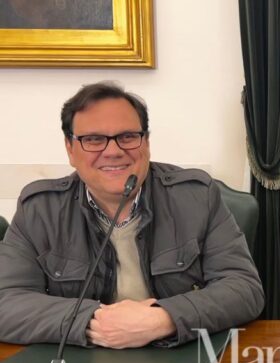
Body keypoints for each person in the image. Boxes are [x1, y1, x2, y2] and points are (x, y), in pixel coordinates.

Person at [0, 82, 265, 348]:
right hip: (80, 357)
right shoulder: (39, 210)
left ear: (146, 142)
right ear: (70, 148)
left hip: (179, 352)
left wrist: (163, 319)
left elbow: (243, 288)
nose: (113, 151)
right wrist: (93, 322)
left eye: (127, 136)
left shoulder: (197, 197)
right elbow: (6, 302)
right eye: (94, 139)